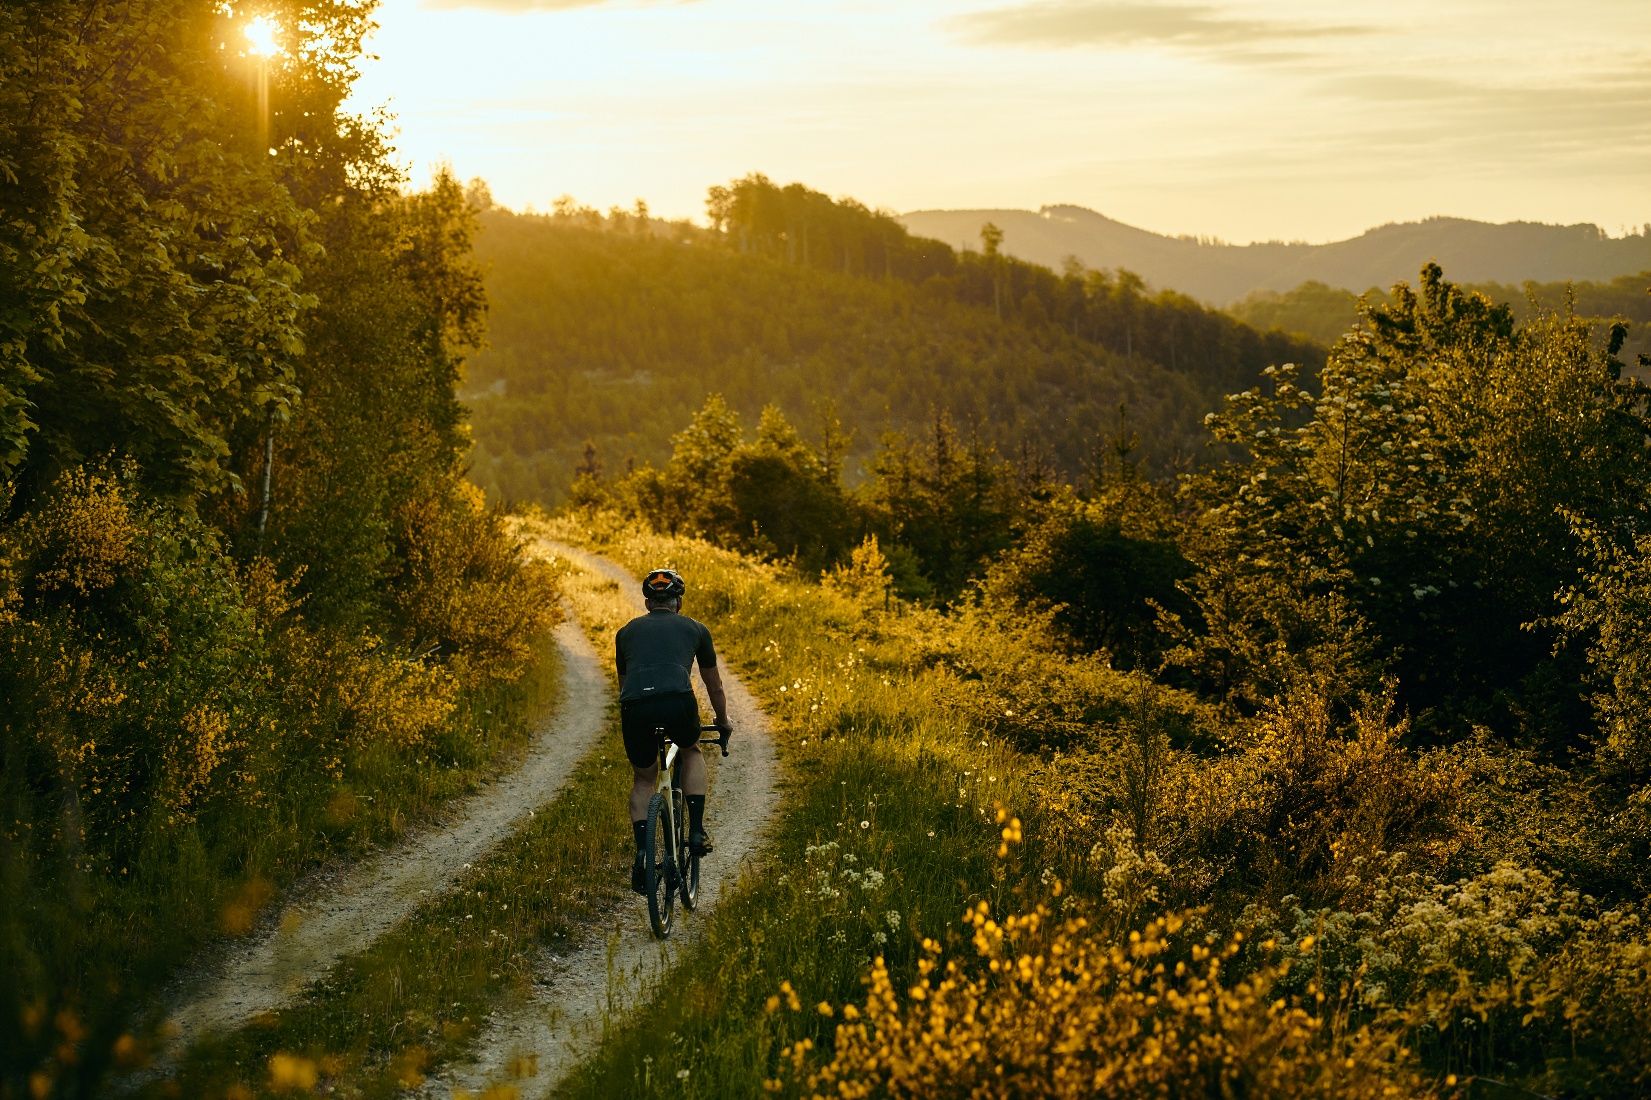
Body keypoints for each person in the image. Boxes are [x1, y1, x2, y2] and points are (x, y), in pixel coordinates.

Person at [615, 567, 732, 894]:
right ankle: (695, 833)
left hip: (635, 707)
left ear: (648, 602)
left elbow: (624, 686)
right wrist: (723, 721)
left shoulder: (625, 633)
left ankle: (642, 853)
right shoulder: (696, 629)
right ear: (678, 601)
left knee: (643, 778)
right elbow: (715, 685)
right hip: (677, 703)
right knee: (691, 750)